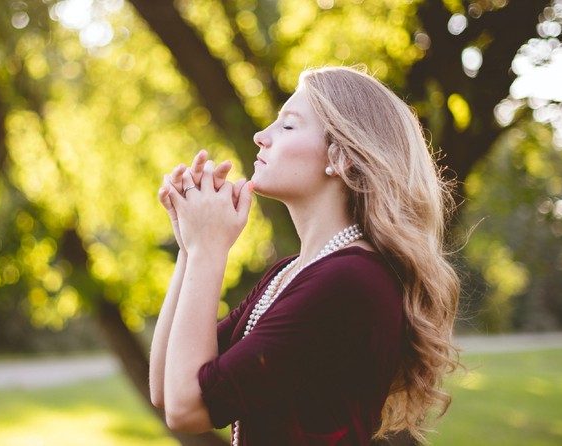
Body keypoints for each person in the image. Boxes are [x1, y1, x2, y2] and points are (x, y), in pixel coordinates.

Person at [149, 66, 460, 445]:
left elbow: (188, 409)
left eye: (289, 126)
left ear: (343, 158)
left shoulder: (348, 282)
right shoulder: (293, 272)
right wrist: (189, 245)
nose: (261, 136)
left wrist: (208, 250)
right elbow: (166, 390)